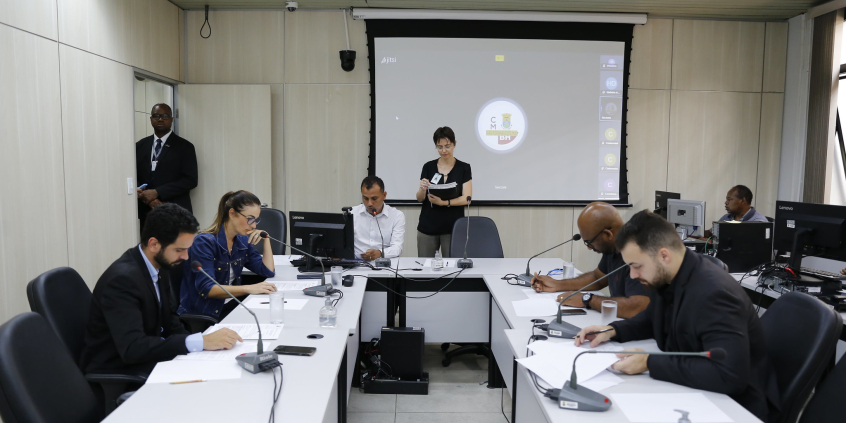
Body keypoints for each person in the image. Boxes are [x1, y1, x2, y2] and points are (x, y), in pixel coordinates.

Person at [575, 210, 779, 422]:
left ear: (664, 255)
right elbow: (652, 318)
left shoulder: (715, 294)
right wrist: (613, 330)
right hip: (699, 391)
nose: (633, 275)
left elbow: (729, 375)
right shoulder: (671, 275)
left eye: (637, 266)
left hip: (734, 407)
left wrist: (649, 363)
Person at [80, 204, 243, 376]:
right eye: (179, 250)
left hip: (150, 356)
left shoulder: (159, 265)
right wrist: (199, 341)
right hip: (120, 369)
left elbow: (170, 320)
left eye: (187, 249)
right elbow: (133, 348)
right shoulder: (122, 280)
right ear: (153, 244)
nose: (186, 257)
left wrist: (199, 350)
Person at [531, 202, 650, 318]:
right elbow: (597, 278)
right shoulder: (613, 246)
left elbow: (638, 308)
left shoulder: (638, 252)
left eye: (589, 242)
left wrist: (588, 300)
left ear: (608, 234)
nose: (588, 247)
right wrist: (557, 285)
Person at [178, 191, 277, 319]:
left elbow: (268, 271)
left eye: (256, 220)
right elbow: (207, 289)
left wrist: (266, 239)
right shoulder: (204, 243)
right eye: (250, 219)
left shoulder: (241, 241)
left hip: (231, 306)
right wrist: (248, 288)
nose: (253, 225)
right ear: (232, 214)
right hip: (206, 312)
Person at [136, 103, 198, 231]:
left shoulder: (185, 147)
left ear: (171, 119)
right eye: (156, 116)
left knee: (175, 249)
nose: (160, 119)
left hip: (175, 211)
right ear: (151, 119)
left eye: (165, 116)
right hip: (146, 213)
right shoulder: (140, 146)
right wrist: (148, 199)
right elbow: (133, 177)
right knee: (151, 249)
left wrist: (157, 192)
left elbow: (190, 180)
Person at [415, 126, 473, 257]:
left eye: (447, 146)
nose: (444, 150)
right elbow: (419, 198)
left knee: (452, 269)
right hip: (428, 226)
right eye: (439, 147)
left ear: (455, 144)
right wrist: (422, 189)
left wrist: (444, 203)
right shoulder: (428, 167)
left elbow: (467, 198)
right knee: (425, 269)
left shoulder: (464, 168)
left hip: (453, 227)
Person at [352, 176, 406, 260]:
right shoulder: (352, 213)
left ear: (384, 195)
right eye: (365, 198)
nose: (369, 203)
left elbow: (397, 248)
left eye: (374, 198)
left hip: (385, 263)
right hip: (356, 264)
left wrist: (380, 253)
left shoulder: (396, 216)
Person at [702, 185, 768, 239]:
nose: (726, 202)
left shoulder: (759, 222)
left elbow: (746, 245)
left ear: (742, 200)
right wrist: (694, 233)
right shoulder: (727, 217)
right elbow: (710, 233)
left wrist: (713, 243)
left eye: (729, 199)